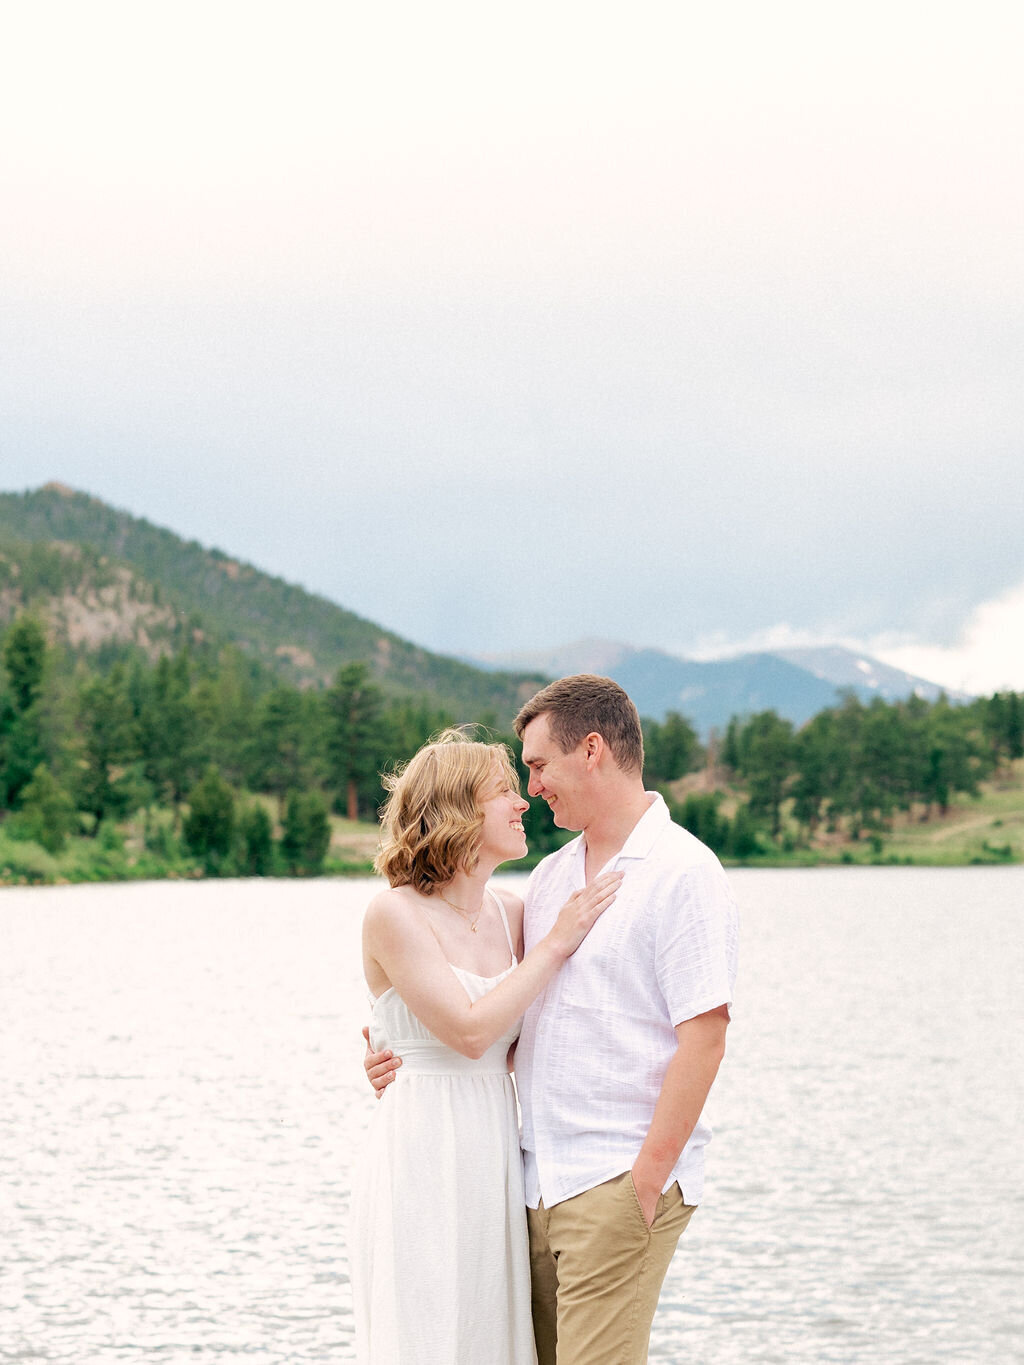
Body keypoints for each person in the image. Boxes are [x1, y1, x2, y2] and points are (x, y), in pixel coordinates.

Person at [366, 676, 739, 1365]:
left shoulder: (684, 871)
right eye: (518, 777)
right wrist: (401, 1054)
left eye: (537, 766)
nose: (531, 789)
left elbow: (706, 1036)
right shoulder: (550, 881)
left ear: (591, 749)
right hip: (526, 1183)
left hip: (613, 1178)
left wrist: (645, 1183)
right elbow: (510, 1029)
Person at [349, 728, 622, 1365]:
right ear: (459, 812)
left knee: (490, 1331)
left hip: (497, 1145)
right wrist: (560, 941)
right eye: (504, 790)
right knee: (427, 1327)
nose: (524, 802)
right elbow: (470, 1033)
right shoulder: (393, 914)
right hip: (421, 1146)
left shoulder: (513, 913)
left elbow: (525, 1040)